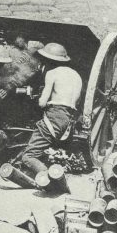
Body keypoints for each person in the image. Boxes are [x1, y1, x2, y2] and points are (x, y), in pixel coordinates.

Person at [22, 43, 82, 176]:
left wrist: (33, 98)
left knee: (28, 157)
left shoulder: (52, 73)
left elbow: (42, 103)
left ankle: (51, 176)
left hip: (54, 116)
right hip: (69, 120)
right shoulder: (76, 76)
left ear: (48, 60)